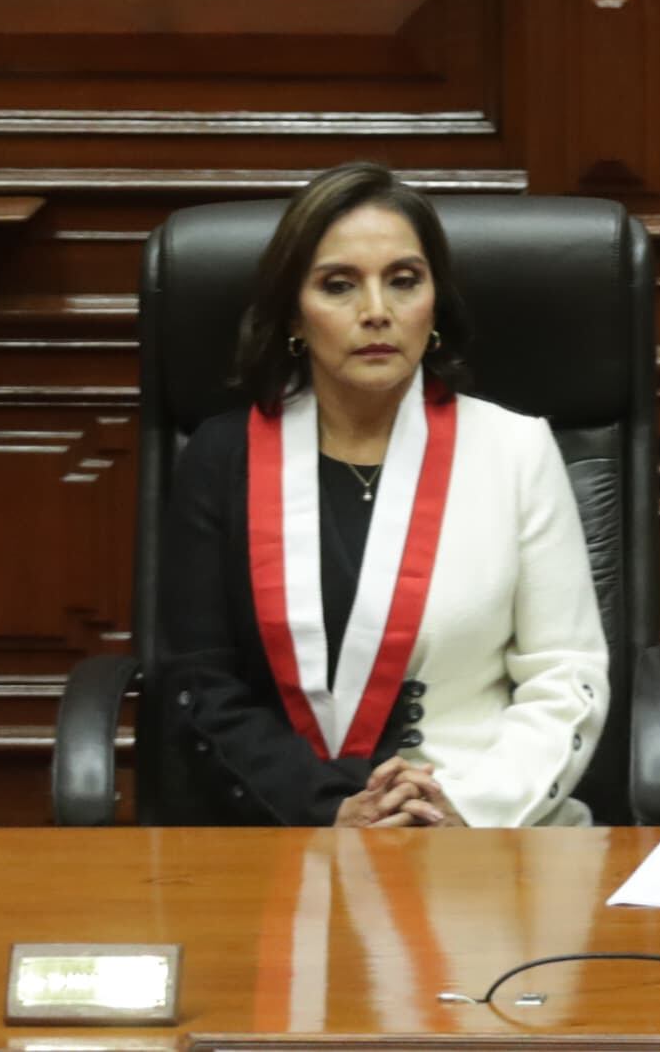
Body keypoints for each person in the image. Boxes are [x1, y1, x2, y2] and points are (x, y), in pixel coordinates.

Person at [153, 164, 609, 825]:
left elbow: (564, 674)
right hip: (283, 830)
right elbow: (198, 685)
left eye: (403, 280)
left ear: (435, 303)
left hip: (481, 830)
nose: (376, 310)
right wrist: (331, 809)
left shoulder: (517, 449)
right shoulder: (223, 458)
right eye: (339, 285)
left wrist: (469, 810)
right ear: (294, 315)